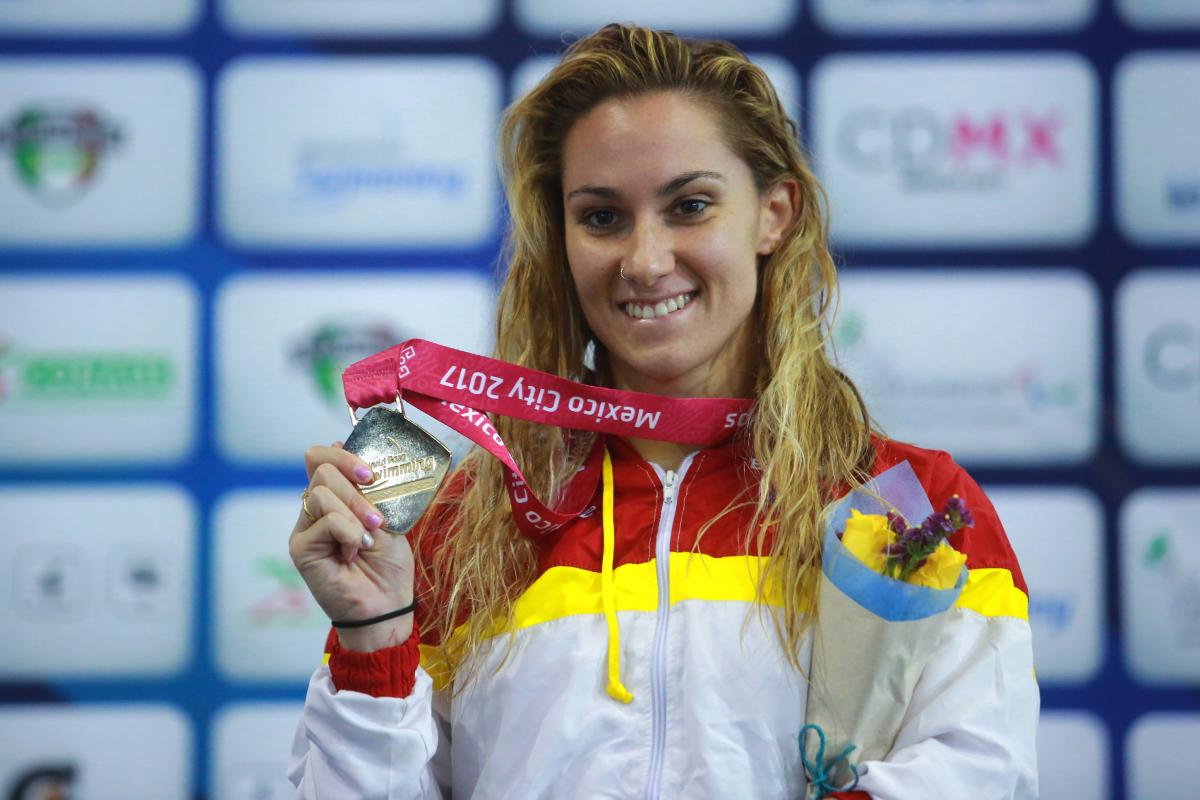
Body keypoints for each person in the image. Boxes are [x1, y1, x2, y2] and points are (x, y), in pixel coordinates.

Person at [286, 23, 1039, 799]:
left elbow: (983, 773)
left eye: (690, 205)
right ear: (563, 237)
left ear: (774, 214)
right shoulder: (465, 527)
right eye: (602, 217)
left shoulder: (914, 509)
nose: (645, 262)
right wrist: (372, 633)